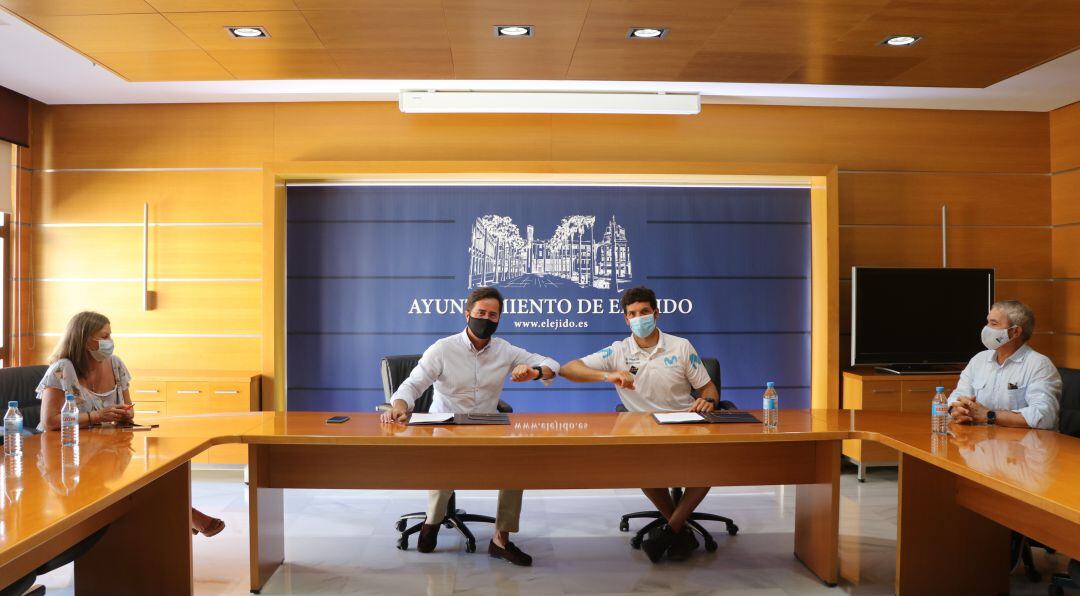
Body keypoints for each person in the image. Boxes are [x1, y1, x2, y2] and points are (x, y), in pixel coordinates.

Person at [380, 287, 559, 566]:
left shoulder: (506, 350)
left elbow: (551, 364)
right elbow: (412, 384)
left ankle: (501, 540)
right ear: (467, 314)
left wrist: (534, 372)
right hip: (445, 427)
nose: (486, 319)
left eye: (492, 315)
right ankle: (432, 521)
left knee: (516, 465)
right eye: (480, 313)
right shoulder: (443, 348)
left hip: (488, 427)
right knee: (443, 463)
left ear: (499, 319)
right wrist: (400, 405)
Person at [560, 286, 719, 563]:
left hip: (685, 425)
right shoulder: (618, 351)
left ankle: (671, 530)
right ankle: (678, 530)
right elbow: (568, 369)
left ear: (656, 313)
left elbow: (708, 389)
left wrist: (708, 401)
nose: (638, 318)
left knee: (708, 467)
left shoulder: (680, 347)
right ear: (625, 319)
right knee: (640, 467)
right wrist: (607, 376)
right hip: (644, 431)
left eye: (644, 312)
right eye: (632, 314)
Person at [36, 311, 225, 537]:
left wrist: (125, 414)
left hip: (106, 446)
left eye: (110, 335)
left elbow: (129, 407)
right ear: (87, 340)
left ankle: (181, 516)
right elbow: (50, 422)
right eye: (104, 336)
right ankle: (188, 516)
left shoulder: (115, 364)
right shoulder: (62, 370)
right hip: (67, 452)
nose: (110, 342)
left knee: (156, 469)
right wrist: (97, 417)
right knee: (138, 483)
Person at [949, 300, 1062, 430]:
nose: (986, 329)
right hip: (981, 442)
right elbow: (957, 396)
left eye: (994, 323)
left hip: (1023, 446)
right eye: (987, 322)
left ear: (1014, 332)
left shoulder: (1040, 365)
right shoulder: (979, 360)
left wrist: (989, 416)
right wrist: (956, 410)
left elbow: (1045, 417)